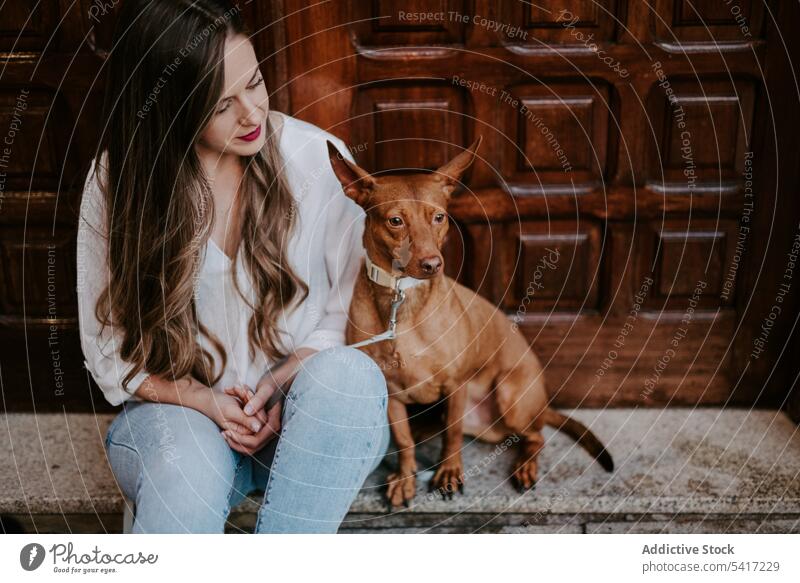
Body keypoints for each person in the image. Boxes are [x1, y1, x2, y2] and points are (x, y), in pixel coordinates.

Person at [77, 0, 389, 533]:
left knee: (350, 378)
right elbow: (107, 346)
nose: (252, 113)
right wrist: (204, 400)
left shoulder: (317, 158)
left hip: (307, 423)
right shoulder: (118, 182)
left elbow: (350, 311)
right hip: (181, 419)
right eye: (221, 105)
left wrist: (282, 378)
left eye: (255, 83)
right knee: (182, 475)